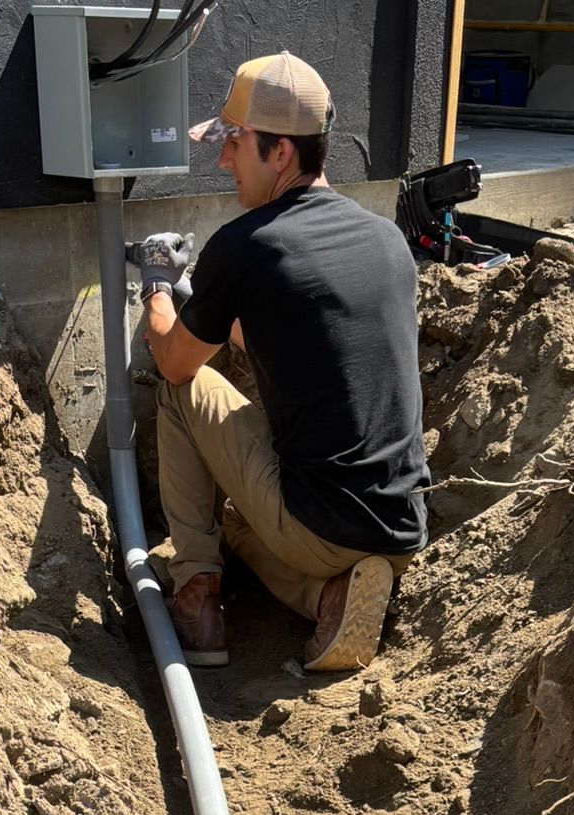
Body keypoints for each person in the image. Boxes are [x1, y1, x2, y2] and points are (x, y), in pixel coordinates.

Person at [136, 51, 429, 672]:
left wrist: (159, 286)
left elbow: (173, 361)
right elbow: (302, 337)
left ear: (282, 154)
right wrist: (210, 306)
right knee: (243, 526)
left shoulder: (247, 246)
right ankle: (330, 597)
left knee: (182, 393)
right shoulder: (386, 239)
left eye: (234, 144)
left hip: (318, 527)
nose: (222, 161)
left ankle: (196, 595)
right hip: (402, 525)